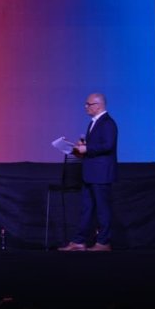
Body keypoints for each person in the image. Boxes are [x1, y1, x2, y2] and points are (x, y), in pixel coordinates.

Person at [59, 93, 117, 252]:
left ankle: (104, 242)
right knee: (86, 208)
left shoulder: (107, 123)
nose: (86, 107)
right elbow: (97, 145)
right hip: (90, 173)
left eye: (88, 104)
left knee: (102, 209)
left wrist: (88, 148)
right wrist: (82, 146)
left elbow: (108, 145)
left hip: (101, 173)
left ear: (98, 105)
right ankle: (79, 241)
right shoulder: (94, 123)